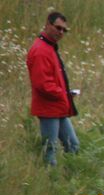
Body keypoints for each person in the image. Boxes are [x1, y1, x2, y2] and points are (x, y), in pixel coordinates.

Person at [26, 11, 79, 166]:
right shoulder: (41, 51)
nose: (61, 32)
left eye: (64, 30)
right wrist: (63, 94)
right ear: (48, 25)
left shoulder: (50, 47)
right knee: (50, 150)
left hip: (59, 107)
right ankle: (52, 183)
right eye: (58, 28)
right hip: (48, 109)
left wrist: (65, 95)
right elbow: (42, 85)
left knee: (73, 145)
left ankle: (72, 181)